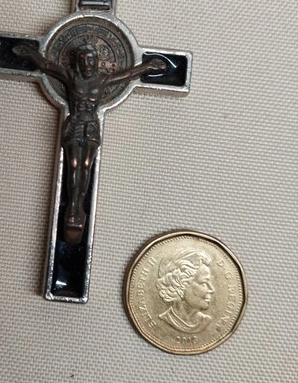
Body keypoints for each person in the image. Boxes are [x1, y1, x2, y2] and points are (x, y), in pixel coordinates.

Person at [13, 43, 166, 244]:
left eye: (91, 60)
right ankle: (72, 207)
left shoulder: (102, 79)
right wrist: (30, 53)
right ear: (78, 63)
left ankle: (78, 206)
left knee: (86, 165)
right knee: (74, 164)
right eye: (83, 60)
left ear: (96, 62)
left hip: (91, 126)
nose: (87, 64)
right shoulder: (71, 77)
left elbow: (127, 75)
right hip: (75, 124)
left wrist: (148, 66)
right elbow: (47, 66)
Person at [156, 249, 215, 334]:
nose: (211, 289)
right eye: (204, 283)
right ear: (181, 285)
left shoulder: (206, 321)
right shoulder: (164, 320)